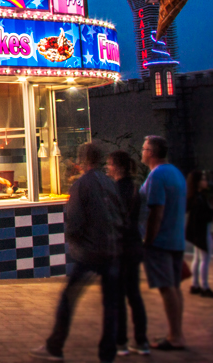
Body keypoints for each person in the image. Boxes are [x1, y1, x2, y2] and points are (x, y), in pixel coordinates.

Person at [32, 143, 123, 363]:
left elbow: (74, 221)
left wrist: (75, 243)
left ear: (83, 160)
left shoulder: (81, 185)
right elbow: (120, 214)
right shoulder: (109, 183)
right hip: (111, 250)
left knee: (68, 298)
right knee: (111, 303)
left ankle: (55, 346)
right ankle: (108, 353)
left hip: (90, 252)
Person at [139, 135, 187, 351]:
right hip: (176, 238)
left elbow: (155, 212)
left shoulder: (157, 176)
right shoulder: (175, 173)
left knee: (167, 288)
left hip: (161, 241)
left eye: (144, 148)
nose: (141, 151)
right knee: (174, 287)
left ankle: (176, 336)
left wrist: (148, 241)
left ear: (151, 152)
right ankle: (175, 332)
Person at [107, 150, 149, 356]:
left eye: (110, 164)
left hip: (119, 247)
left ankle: (121, 341)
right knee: (134, 295)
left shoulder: (114, 191)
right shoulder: (135, 188)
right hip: (134, 245)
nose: (108, 168)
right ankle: (141, 341)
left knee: (118, 297)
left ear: (118, 167)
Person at [185, 170, 213, 298]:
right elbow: (203, 216)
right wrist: (212, 213)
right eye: (203, 179)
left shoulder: (195, 196)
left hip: (198, 232)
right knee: (204, 259)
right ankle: (204, 286)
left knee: (198, 258)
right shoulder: (199, 198)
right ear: (198, 182)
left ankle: (195, 284)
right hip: (202, 231)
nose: (206, 181)